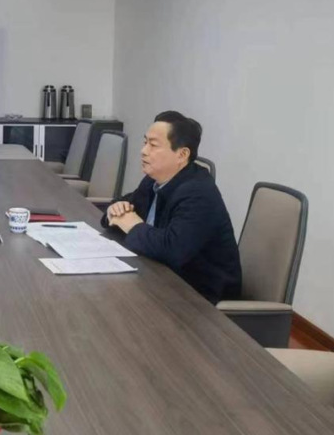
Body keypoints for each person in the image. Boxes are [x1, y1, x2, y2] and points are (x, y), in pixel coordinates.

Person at [103, 111, 242, 304]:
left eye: (153, 145)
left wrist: (132, 225)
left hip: (201, 300)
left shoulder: (199, 193)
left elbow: (172, 250)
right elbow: (123, 208)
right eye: (145, 142)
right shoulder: (153, 180)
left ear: (182, 155)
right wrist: (115, 210)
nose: (143, 151)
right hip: (160, 281)